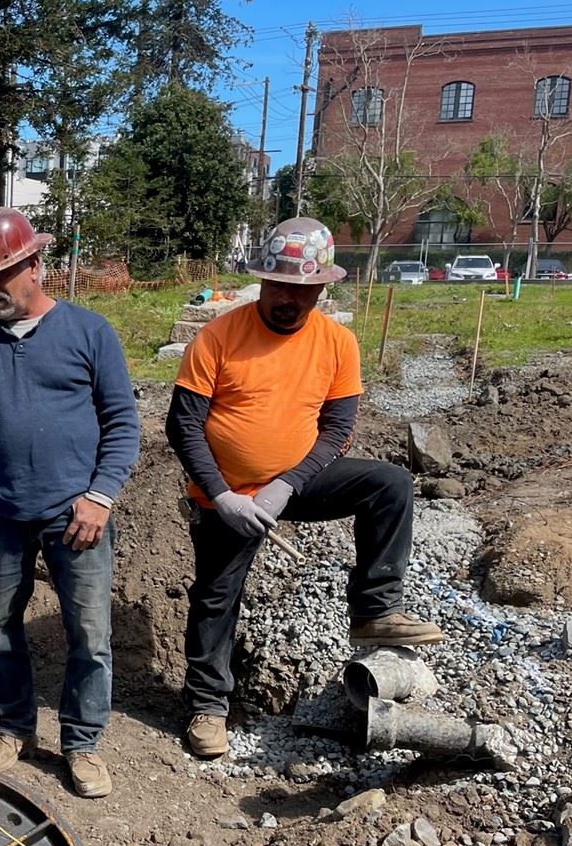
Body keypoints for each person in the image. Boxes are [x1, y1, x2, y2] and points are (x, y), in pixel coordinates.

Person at [166, 217, 444, 761]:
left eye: (301, 291)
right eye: (279, 288)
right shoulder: (218, 336)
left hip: (297, 485)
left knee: (389, 484)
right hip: (225, 493)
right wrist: (223, 495)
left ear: (320, 289)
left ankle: (373, 611)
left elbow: (338, 428)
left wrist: (286, 485)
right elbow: (183, 424)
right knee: (216, 598)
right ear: (262, 281)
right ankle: (207, 707)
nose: (288, 301)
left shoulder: (336, 342)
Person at [0, 207, 140, 799]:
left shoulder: (90, 333)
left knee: (89, 632)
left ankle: (82, 743)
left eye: (2, 276)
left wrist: (100, 496)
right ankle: (13, 727)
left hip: (76, 516)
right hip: (2, 515)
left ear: (36, 265)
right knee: (0, 629)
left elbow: (122, 424)